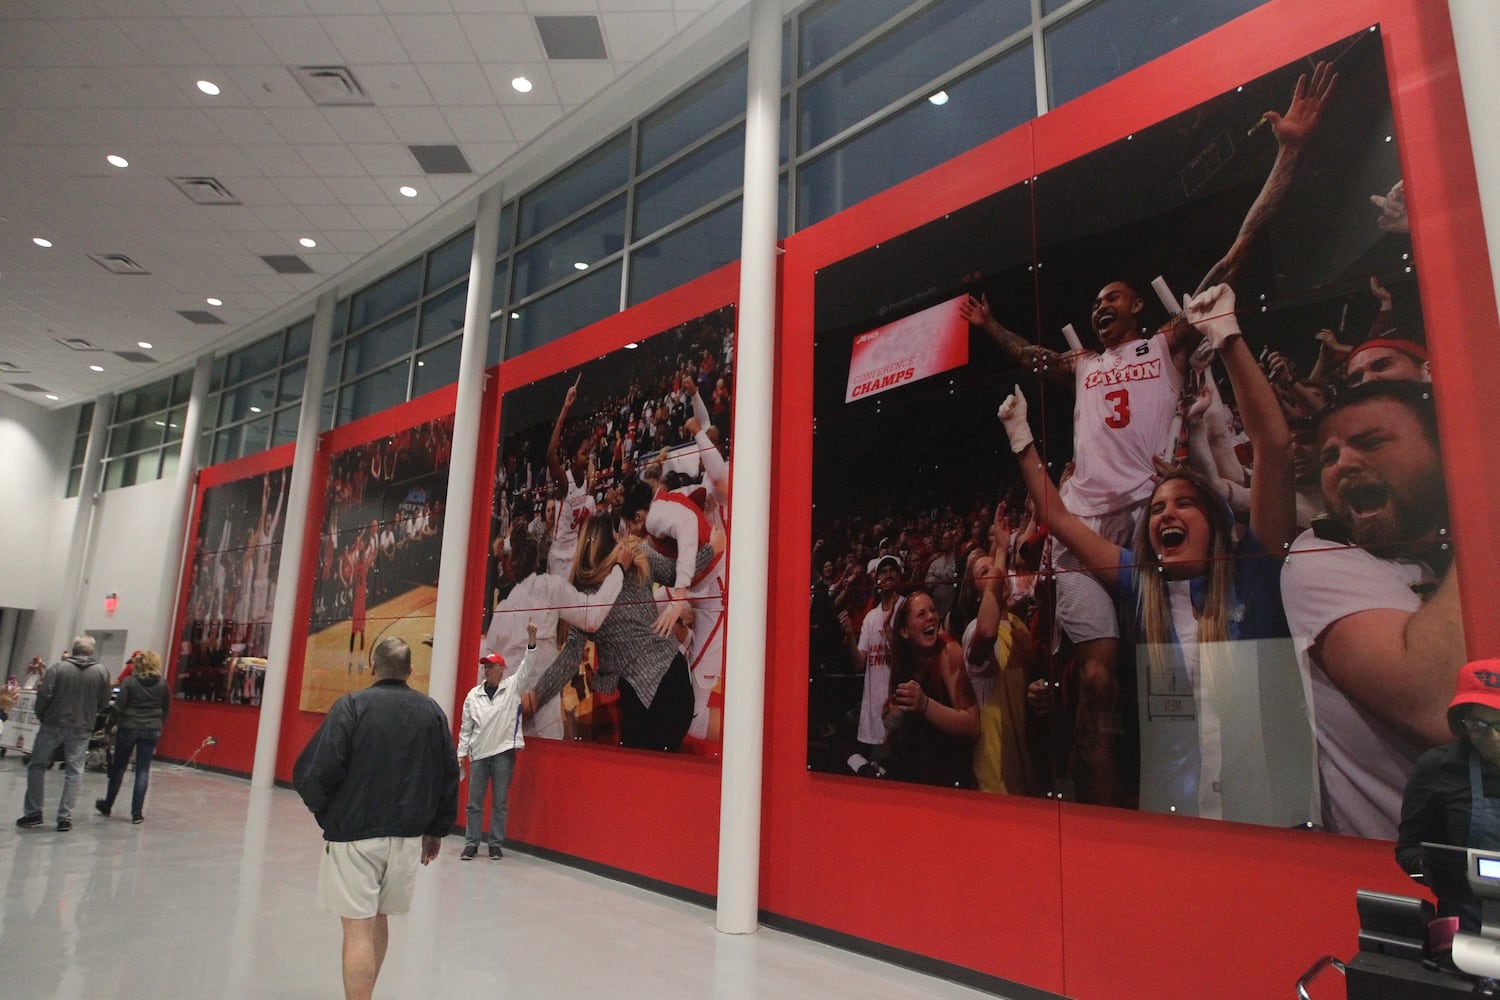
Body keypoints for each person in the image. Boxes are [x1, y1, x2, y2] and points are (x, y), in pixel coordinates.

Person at [999, 286, 1313, 823]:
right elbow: (1059, 516)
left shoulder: (1254, 579)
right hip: (1179, 813)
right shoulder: (1142, 580)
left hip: (1267, 822)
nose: (1167, 514)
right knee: (1100, 685)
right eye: (1162, 506)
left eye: (1184, 503)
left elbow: (1274, 449)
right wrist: (1020, 433)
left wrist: (1227, 335)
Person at [1281, 380, 1464, 839]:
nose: (1342, 463)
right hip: (1408, 880)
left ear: (1445, 450)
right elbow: (1439, 704)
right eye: (1329, 456)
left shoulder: (1445, 553)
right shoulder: (1319, 556)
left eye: (1371, 443)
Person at [293, 637, 459, 1000]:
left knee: (357, 929)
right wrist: (435, 831)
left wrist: (327, 815)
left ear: (373, 669)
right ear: (410, 671)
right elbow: (448, 774)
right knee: (379, 918)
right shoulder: (431, 712)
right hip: (405, 838)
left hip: (354, 835)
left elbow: (317, 771)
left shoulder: (352, 706)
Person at [523, 516, 716, 752]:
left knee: (638, 774)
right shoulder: (639, 556)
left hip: (645, 700)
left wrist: (536, 697)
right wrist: (713, 548)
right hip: (677, 681)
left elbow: (570, 658)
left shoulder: (585, 594)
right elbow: (678, 574)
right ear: (614, 536)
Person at [1397, 659, 1500, 933]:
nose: (1492, 738)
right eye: (1478, 725)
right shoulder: (1438, 769)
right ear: (1461, 724)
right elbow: (1407, 850)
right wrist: (1434, 875)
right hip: (1467, 929)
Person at [882, 588, 980, 788]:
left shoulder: (948, 653)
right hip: (915, 775)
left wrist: (925, 704)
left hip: (949, 777)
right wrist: (893, 714)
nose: (931, 618)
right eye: (921, 614)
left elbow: (972, 726)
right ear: (904, 631)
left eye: (933, 610)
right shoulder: (904, 661)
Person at [459, 621, 537, 860]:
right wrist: (461, 753)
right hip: (479, 754)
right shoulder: (473, 695)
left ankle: (495, 844)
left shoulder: (512, 688)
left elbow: (528, 666)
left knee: (500, 802)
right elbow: (466, 728)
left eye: (491, 667)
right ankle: (471, 843)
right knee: (474, 803)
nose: (487, 671)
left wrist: (531, 639)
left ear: (502, 670)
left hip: (504, 753)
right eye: (485, 667)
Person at [17, 636, 112, 832]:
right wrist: (90, 715)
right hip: (82, 726)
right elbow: (104, 700)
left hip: (53, 723)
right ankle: (64, 817)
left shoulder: (58, 668)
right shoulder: (101, 672)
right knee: (75, 771)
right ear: (91, 652)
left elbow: (44, 695)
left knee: (37, 765)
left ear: (73, 649)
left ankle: (34, 813)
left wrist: (43, 716)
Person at [96, 649, 170, 823]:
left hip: (129, 727)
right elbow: (166, 708)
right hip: (152, 729)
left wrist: (108, 729)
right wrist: (160, 724)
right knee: (142, 770)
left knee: (119, 767)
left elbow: (118, 708)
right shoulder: (162, 684)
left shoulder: (130, 682)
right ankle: (137, 813)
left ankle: (108, 803)